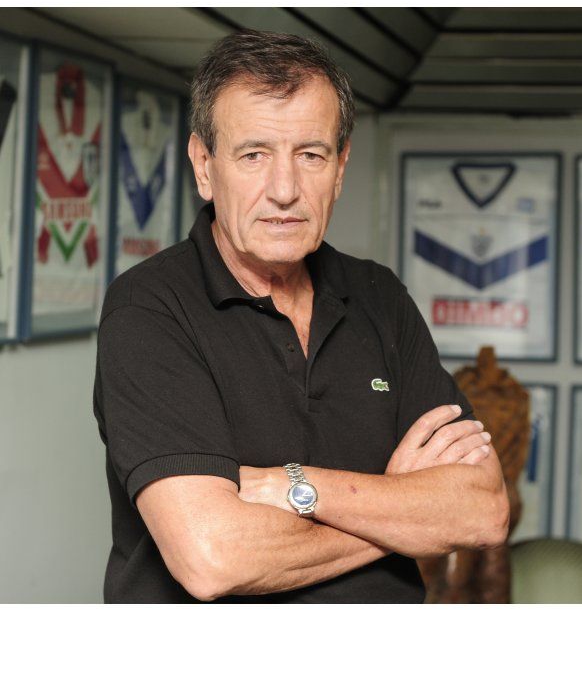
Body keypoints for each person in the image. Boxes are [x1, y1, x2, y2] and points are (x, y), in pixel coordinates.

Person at [93, 30, 509, 603]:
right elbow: (213, 559)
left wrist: (294, 485)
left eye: (310, 155)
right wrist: (400, 507)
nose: (285, 190)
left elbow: (483, 511)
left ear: (340, 167)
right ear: (204, 166)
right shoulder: (150, 307)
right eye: (254, 155)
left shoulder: (379, 295)